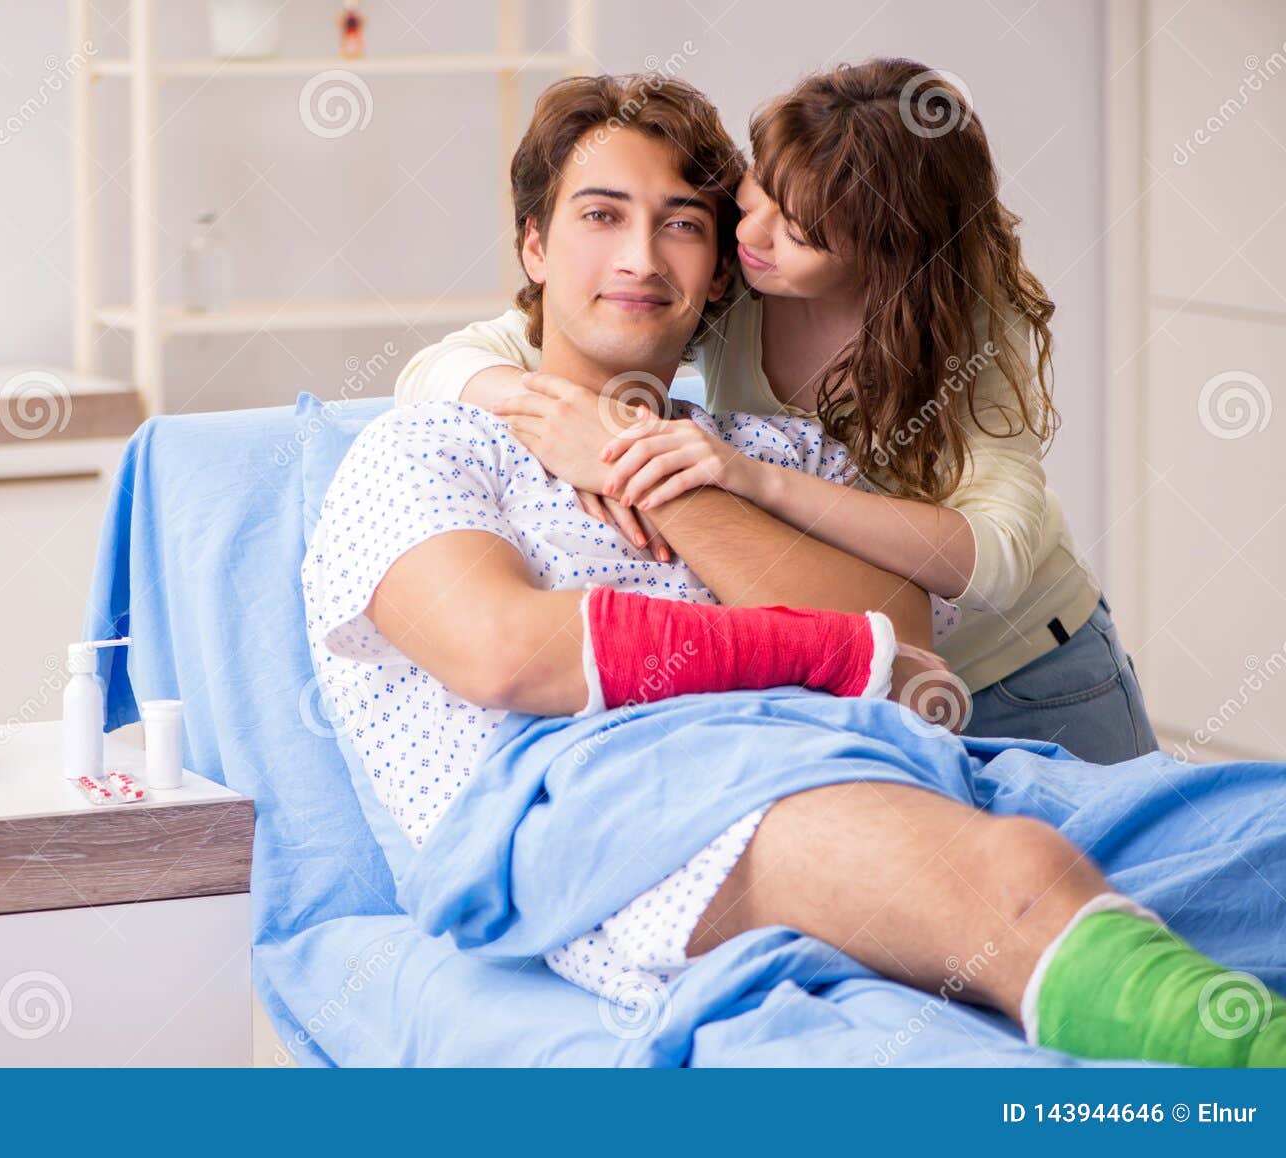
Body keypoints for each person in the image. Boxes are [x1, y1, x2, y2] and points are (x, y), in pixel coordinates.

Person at [304, 72, 1286, 1067]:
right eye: (600, 215)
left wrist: (663, 478)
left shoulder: (778, 452)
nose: (640, 257)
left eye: (681, 224)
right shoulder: (427, 447)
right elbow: (504, 653)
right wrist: (830, 649)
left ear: (716, 271)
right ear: (533, 246)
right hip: (653, 803)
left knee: (1257, 842)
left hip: (984, 703)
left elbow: (913, 625)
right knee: (1018, 881)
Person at [394, 60, 1155, 765]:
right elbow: (447, 364)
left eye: (795, 231)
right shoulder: (735, 288)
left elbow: (992, 565)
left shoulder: (967, 329)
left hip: (1027, 672)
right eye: (756, 198)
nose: (748, 238)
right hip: (868, 698)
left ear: (880, 253)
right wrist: (587, 433)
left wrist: (749, 481)